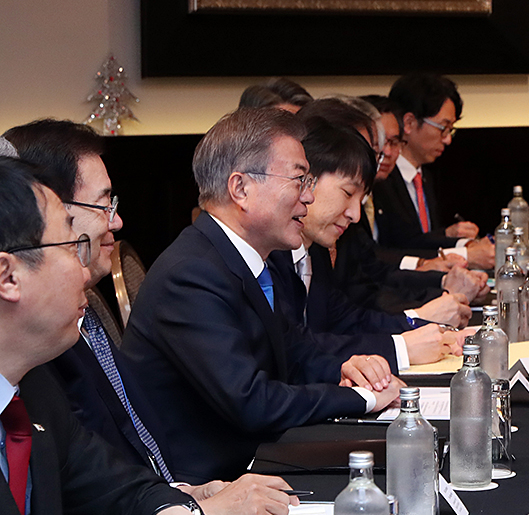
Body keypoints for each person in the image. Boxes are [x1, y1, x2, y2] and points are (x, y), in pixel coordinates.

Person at [0, 155, 257, 515]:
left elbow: (109, 486)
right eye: (70, 246)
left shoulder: (31, 387)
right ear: (8, 276)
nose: (86, 269)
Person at [4, 119, 300, 515]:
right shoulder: (42, 352)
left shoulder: (74, 322)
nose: (117, 221)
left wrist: (183, 498)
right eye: (103, 205)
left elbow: (107, 478)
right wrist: (189, 511)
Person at [119, 108, 401, 483]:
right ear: (241, 189)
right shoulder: (191, 274)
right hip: (211, 486)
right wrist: (362, 400)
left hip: (258, 457)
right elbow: (251, 401)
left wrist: (346, 370)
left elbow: (294, 350)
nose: (309, 197)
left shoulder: (243, 258)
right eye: (300, 180)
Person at [269, 116, 466, 367]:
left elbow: (347, 320)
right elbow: (298, 348)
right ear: (306, 179)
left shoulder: (314, 252)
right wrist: (402, 348)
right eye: (348, 193)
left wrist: (430, 329)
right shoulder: (270, 255)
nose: (355, 214)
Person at [373, 73, 494, 268]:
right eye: (443, 128)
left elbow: (419, 240)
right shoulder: (380, 178)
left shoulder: (425, 176)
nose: (447, 139)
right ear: (410, 123)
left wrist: (458, 240)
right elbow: (393, 247)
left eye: (451, 130)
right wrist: (465, 254)